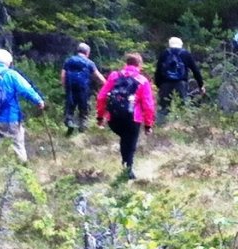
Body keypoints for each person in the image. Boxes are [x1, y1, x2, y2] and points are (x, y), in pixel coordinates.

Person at [0, 49, 46, 175]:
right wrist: (38, 101)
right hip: (10, 120)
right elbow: (26, 90)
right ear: (8, 62)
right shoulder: (11, 75)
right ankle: (24, 173)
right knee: (18, 144)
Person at [96, 52, 157, 180]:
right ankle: (128, 169)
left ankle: (126, 167)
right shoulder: (142, 80)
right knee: (130, 142)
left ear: (126, 64)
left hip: (114, 117)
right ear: (139, 65)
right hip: (132, 118)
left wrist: (100, 117)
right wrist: (148, 124)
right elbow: (148, 105)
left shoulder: (114, 76)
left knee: (125, 139)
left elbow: (101, 96)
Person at [61, 43, 107, 133]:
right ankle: (82, 128)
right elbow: (98, 76)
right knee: (84, 108)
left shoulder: (68, 60)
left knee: (70, 107)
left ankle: (69, 122)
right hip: (83, 88)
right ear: (87, 52)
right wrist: (107, 84)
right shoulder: (89, 62)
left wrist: (64, 86)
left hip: (70, 87)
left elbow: (63, 75)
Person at [154, 37, 205, 116]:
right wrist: (201, 85)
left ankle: (161, 126)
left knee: (164, 109)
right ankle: (180, 126)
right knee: (182, 108)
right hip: (181, 84)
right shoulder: (185, 54)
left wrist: (158, 85)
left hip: (165, 84)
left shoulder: (164, 53)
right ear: (181, 44)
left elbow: (158, 71)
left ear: (170, 44)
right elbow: (195, 70)